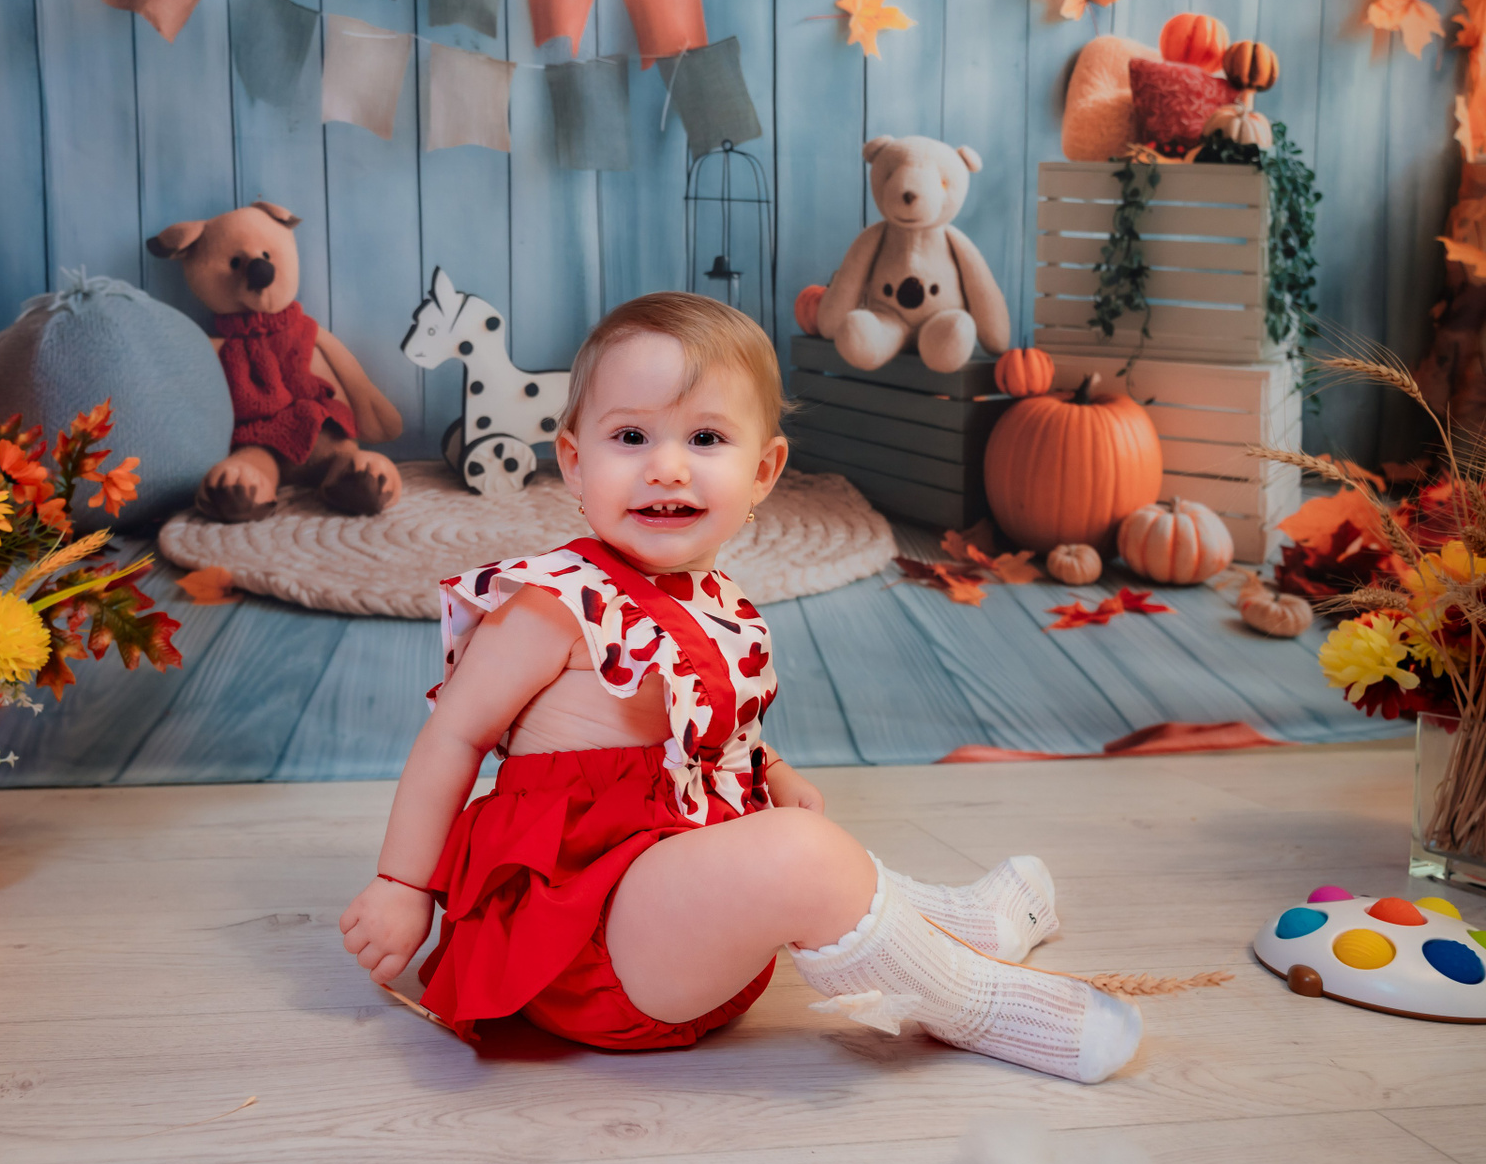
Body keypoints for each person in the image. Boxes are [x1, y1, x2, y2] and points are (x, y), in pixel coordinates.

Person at [339, 292, 1143, 1082]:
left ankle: (956, 922)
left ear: (762, 472)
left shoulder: (719, 601)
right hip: (585, 938)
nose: (666, 465)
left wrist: (773, 770)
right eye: (630, 436)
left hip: (687, 935)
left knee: (800, 846)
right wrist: (402, 883)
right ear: (576, 462)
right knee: (801, 856)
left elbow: (715, 731)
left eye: (705, 437)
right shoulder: (552, 605)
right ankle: (974, 1002)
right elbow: (455, 736)